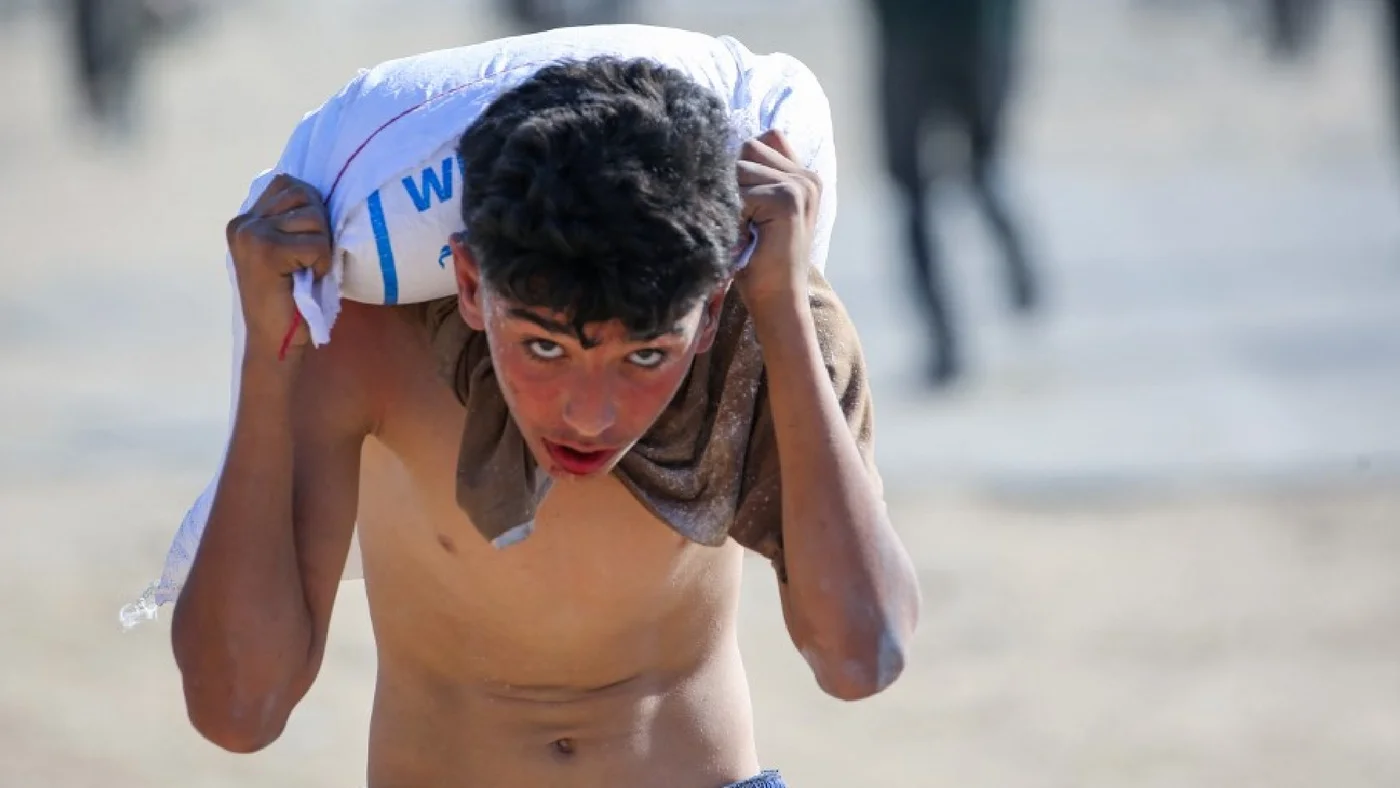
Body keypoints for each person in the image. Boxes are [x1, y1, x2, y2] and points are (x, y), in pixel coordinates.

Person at [168, 35, 921, 788]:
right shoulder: (368, 341)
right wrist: (272, 354)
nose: (591, 416)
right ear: (469, 283)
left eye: (646, 356)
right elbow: (238, 709)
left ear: (711, 304)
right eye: (544, 348)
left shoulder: (764, 328)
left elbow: (862, 657)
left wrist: (784, 310)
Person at [871, 0, 1039, 385]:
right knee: (945, 182)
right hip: (953, 36)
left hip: (927, 36)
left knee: (946, 181)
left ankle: (946, 342)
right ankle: (946, 338)